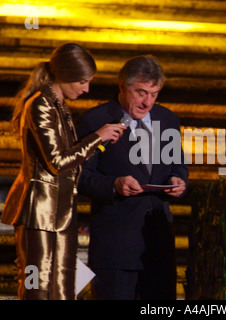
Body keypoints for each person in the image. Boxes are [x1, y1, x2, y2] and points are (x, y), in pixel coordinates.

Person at [1, 43, 125, 300]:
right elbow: (57, 160)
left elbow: (70, 161)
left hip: (61, 211)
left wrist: (98, 144)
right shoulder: (40, 105)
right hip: (39, 211)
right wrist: (96, 138)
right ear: (64, 75)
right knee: (38, 284)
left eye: (88, 81)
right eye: (82, 81)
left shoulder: (58, 104)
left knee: (64, 285)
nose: (86, 88)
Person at [76, 55, 188, 300]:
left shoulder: (167, 119)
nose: (147, 102)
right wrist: (113, 185)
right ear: (122, 86)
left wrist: (178, 181)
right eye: (141, 92)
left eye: (154, 94)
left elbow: (178, 166)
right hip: (116, 246)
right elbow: (80, 176)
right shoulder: (95, 120)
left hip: (157, 243)